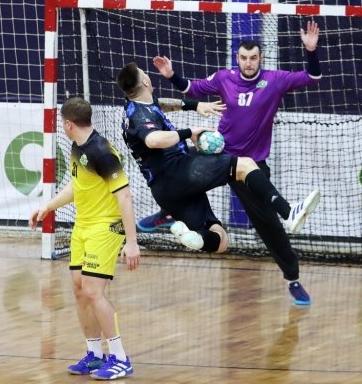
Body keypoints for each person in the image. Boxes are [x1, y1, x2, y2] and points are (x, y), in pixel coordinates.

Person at [137, 20, 322, 305]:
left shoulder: (275, 80)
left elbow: (312, 77)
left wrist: (310, 50)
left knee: (270, 228)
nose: (248, 63)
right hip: (219, 154)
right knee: (179, 168)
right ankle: (168, 213)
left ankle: (293, 279)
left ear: (261, 58)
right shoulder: (225, 78)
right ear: (237, 58)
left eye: (253, 58)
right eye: (244, 58)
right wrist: (172, 75)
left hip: (251, 167)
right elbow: (193, 89)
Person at [117, 61, 319, 258]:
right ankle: (288, 212)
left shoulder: (137, 105)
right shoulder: (141, 116)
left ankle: (197, 238)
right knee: (245, 164)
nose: (148, 75)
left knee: (221, 241)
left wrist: (195, 105)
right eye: (144, 73)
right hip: (177, 172)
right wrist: (190, 132)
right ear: (145, 82)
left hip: (165, 191)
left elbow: (159, 104)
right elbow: (153, 140)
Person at [29, 97, 140, 380]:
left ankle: (120, 358)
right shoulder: (78, 147)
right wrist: (47, 207)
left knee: (93, 291)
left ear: (68, 124)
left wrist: (131, 242)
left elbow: (125, 196)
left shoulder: (102, 152)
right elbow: (77, 186)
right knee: (79, 290)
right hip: (83, 226)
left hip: (105, 227)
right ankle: (95, 354)